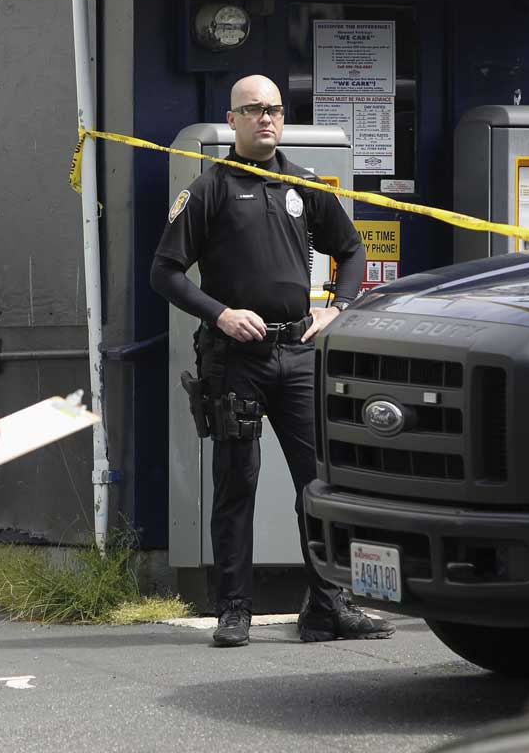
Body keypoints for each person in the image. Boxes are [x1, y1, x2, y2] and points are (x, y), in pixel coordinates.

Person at [151, 74, 394, 646]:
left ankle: (327, 607)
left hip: (299, 353)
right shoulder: (208, 189)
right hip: (238, 357)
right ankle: (233, 609)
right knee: (238, 482)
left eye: (275, 110)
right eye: (254, 110)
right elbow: (164, 272)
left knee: (320, 484)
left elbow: (352, 249)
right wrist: (219, 314)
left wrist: (339, 307)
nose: (266, 119)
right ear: (232, 119)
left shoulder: (304, 183)